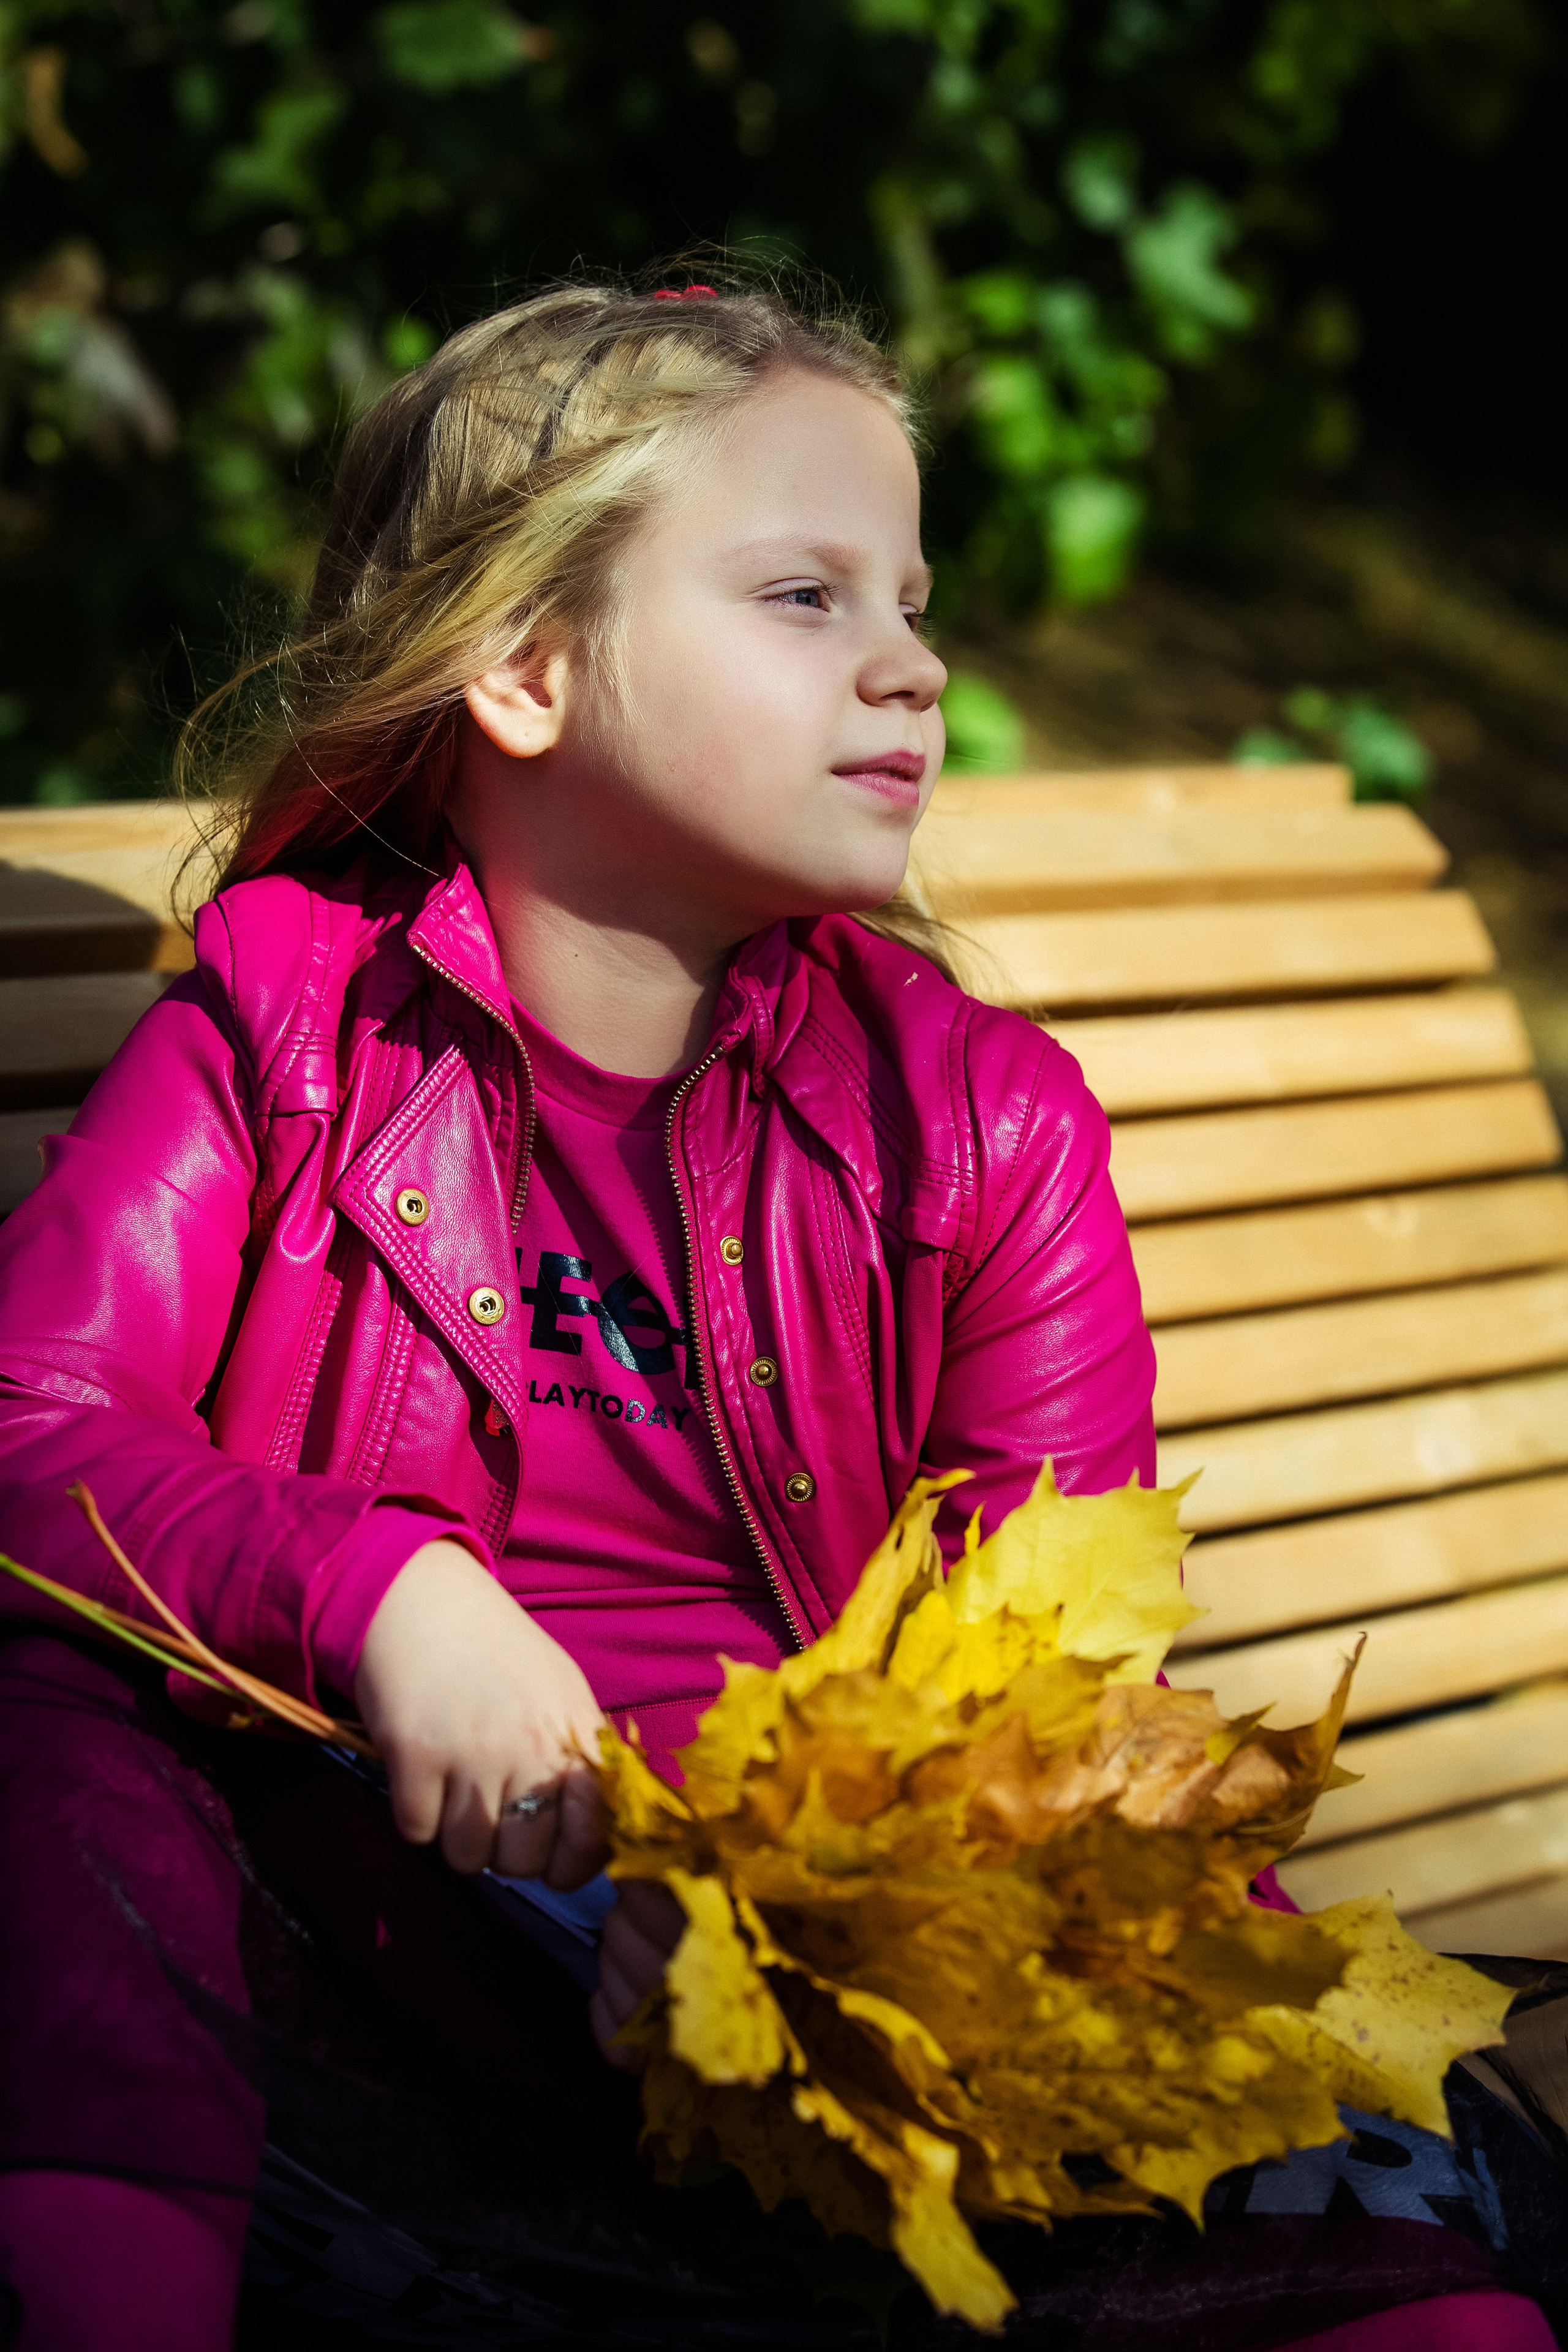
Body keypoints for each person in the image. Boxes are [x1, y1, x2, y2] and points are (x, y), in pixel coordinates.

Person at [0, 277, 1552, 2352]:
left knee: (1227, 2012)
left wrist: (798, 1914)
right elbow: (28, 1421)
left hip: (819, 1950)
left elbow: (1048, 1673)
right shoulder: (285, 1039)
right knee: (54, 1728)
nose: (914, 667)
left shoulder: (982, 1126)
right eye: (808, 597)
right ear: (529, 670)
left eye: (915, 600)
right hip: (366, 1909)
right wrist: (386, 1595)